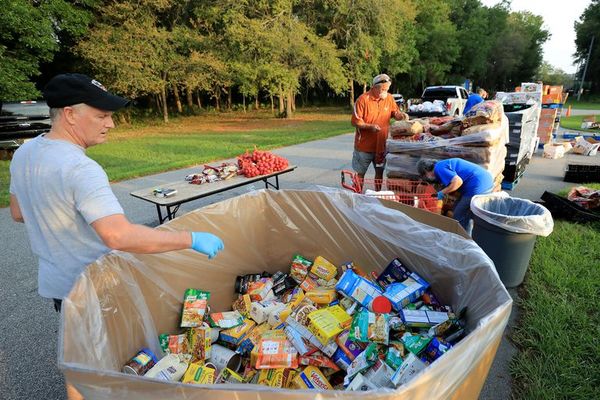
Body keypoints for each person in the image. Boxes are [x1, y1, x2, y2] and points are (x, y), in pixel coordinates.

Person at [9, 73, 224, 399]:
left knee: (80, 360)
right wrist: (190, 238)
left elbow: (18, 212)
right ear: (69, 114)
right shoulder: (81, 168)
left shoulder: (25, 153)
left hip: (58, 285)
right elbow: (118, 236)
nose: (111, 124)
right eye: (102, 115)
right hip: (96, 287)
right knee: (112, 365)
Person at [351, 73, 408, 190]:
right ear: (374, 87)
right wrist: (370, 127)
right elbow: (355, 122)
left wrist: (400, 115)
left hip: (381, 146)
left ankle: (377, 195)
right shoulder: (362, 100)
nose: (385, 92)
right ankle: (357, 196)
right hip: (364, 146)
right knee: (360, 173)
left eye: (387, 89)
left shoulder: (389, 98)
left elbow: (395, 113)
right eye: (383, 89)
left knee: (379, 173)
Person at [417, 158, 493, 233]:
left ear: (426, 171)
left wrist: (441, 193)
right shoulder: (441, 166)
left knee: (458, 213)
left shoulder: (439, 168)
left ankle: (464, 239)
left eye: (425, 175)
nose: (427, 178)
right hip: (484, 181)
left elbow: (457, 182)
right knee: (456, 208)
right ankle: (469, 229)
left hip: (479, 185)